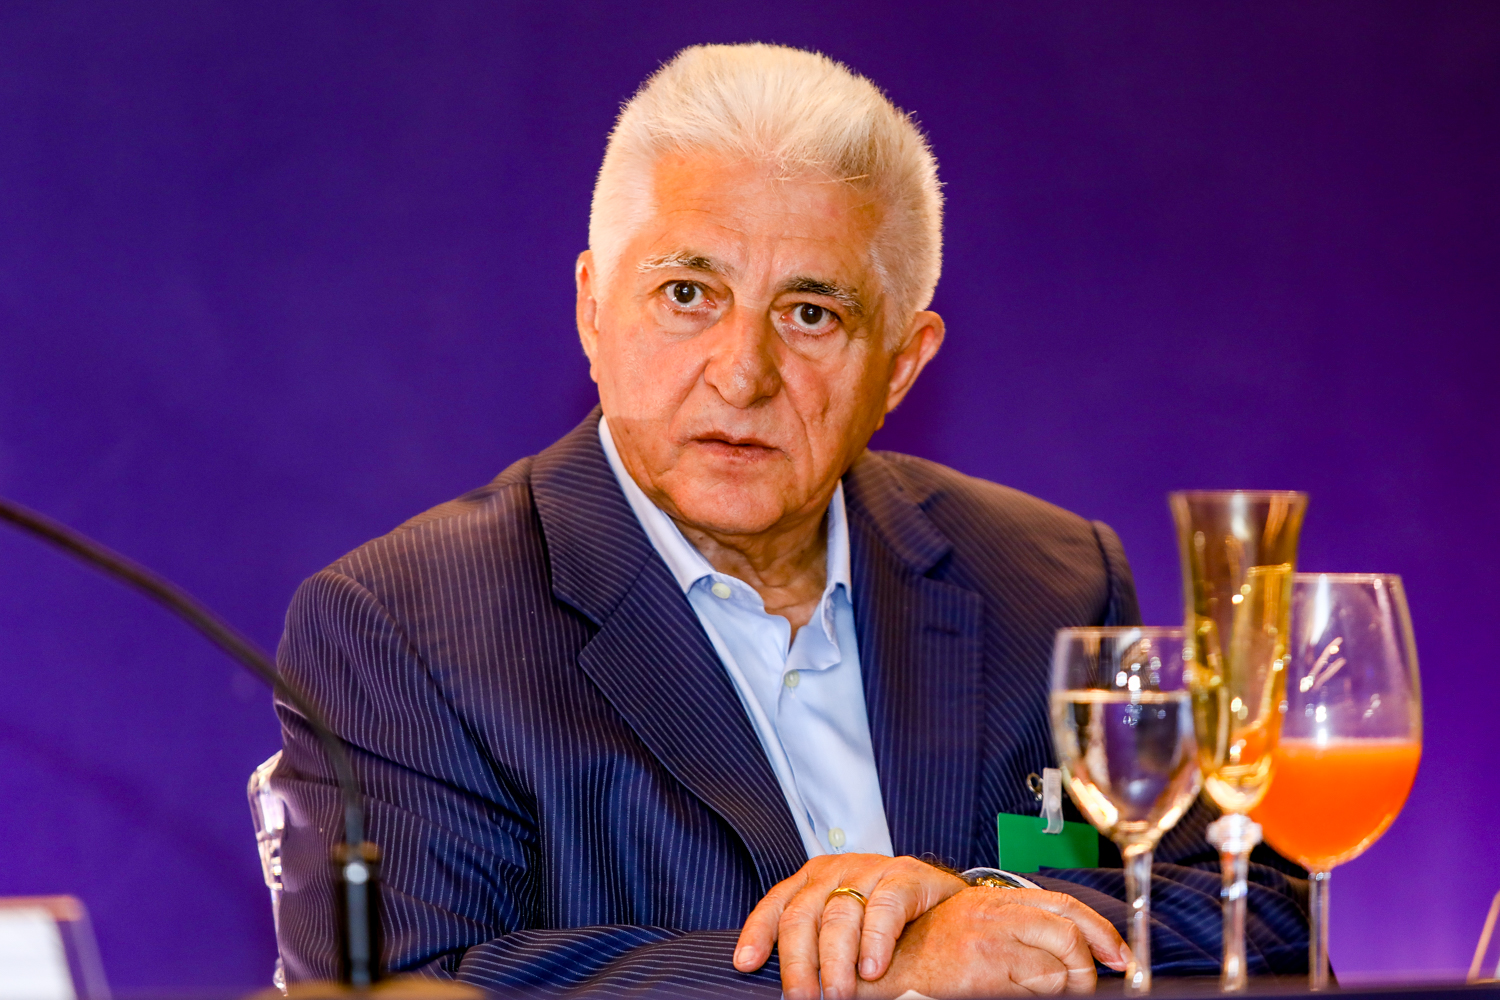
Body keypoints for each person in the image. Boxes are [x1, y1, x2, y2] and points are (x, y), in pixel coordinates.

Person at [273, 43, 1308, 997]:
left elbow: (1269, 913)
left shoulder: (1046, 578)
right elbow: (409, 985)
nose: (743, 372)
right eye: (688, 294)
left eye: (812, 314)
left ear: (900, 364)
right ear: (592, 309)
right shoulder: (401, 626)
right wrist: (886, 966)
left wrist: (985, 906)